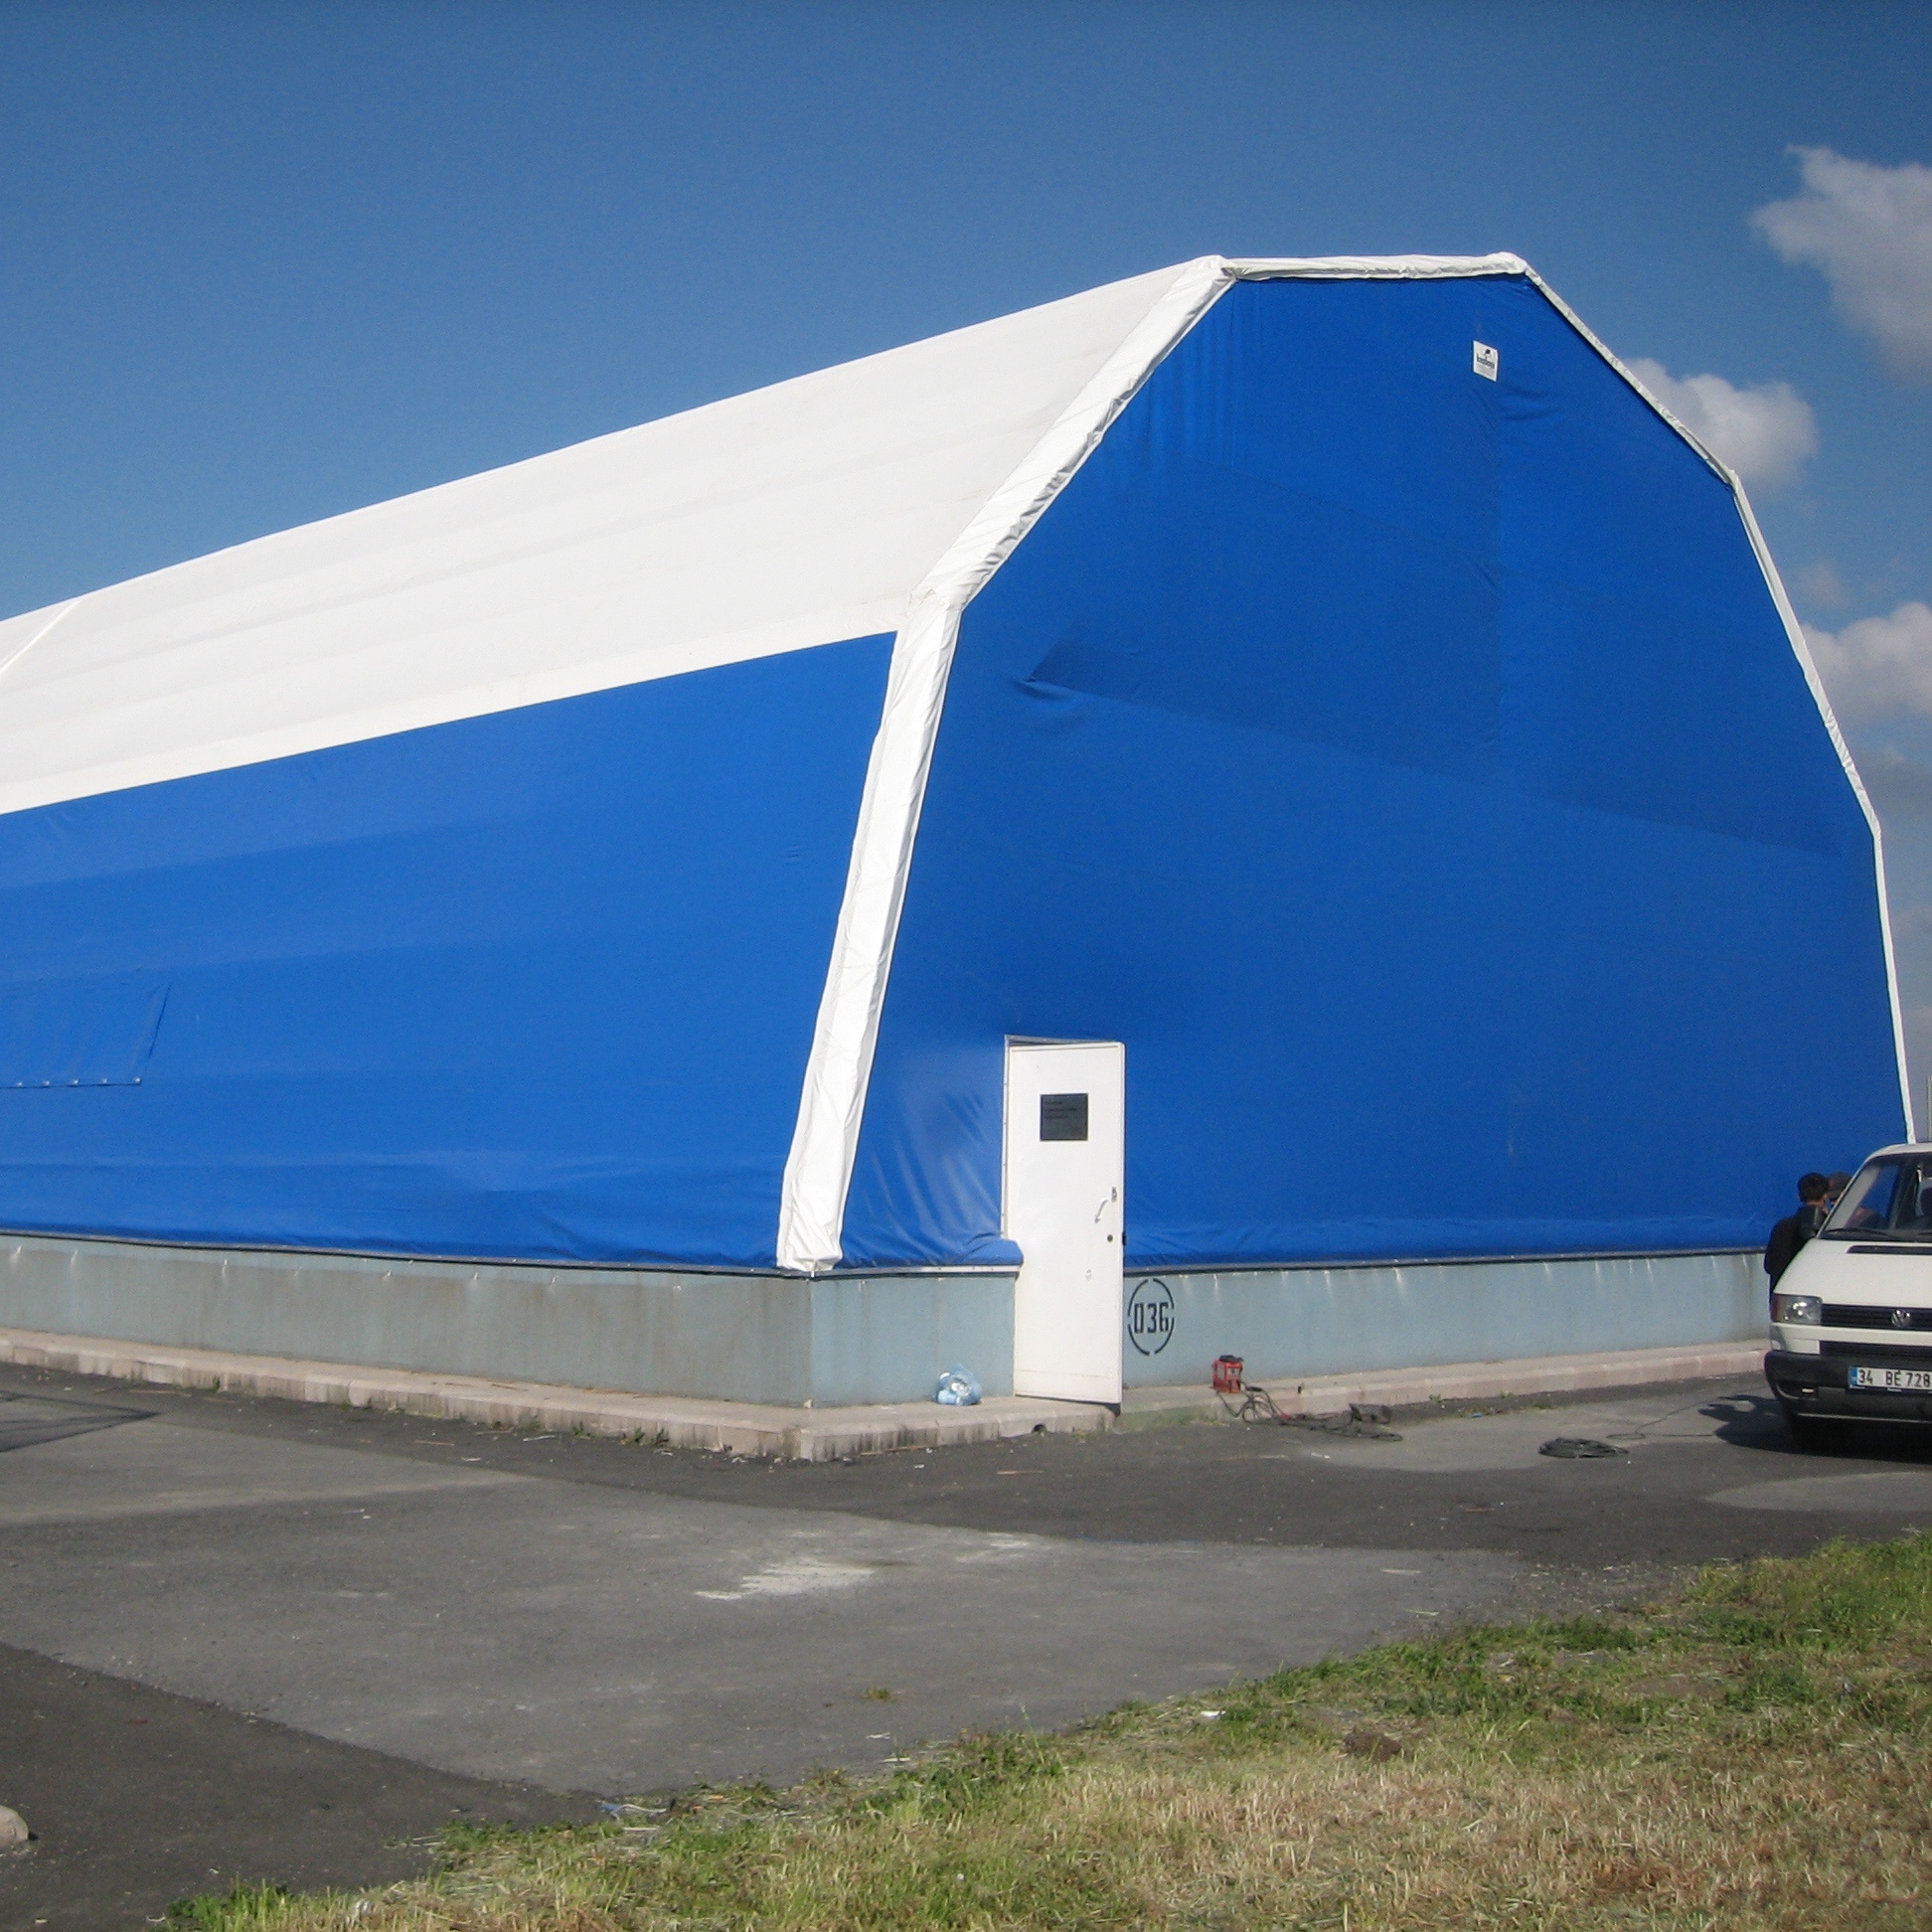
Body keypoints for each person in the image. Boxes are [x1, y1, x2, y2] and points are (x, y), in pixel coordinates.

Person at [1764, 1173, 1830, 1290]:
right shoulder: (1830, 1228)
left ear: (1799, 1196)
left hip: (1785, 1297)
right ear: (1825, 1196)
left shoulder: (1781, 1227)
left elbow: (1769, 1266)